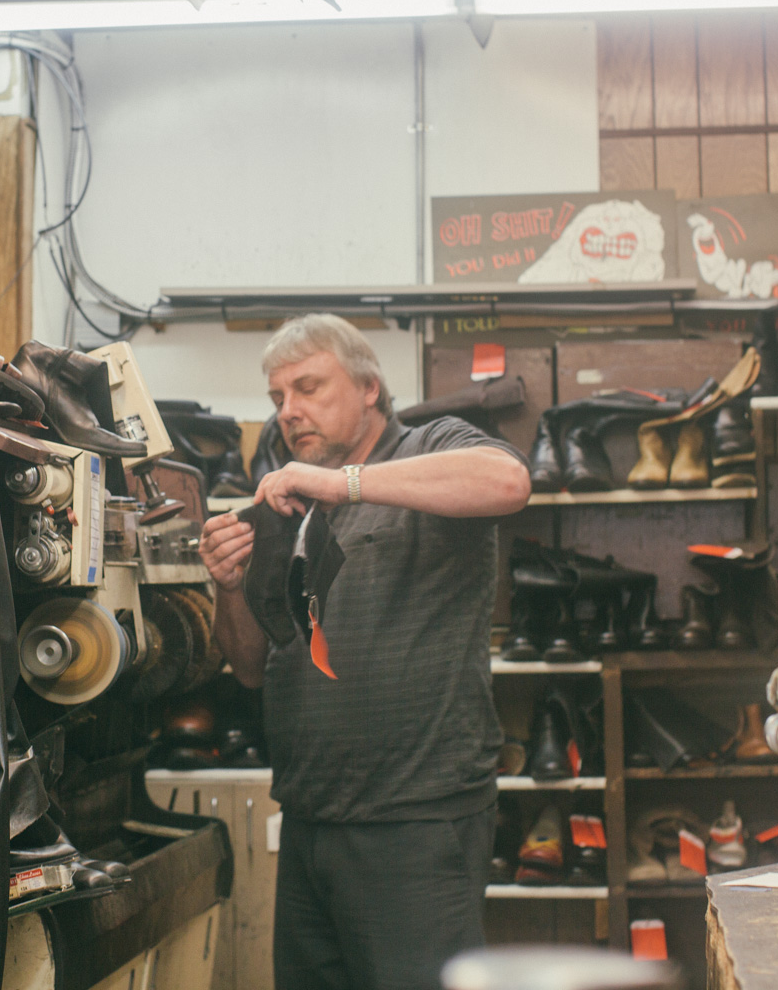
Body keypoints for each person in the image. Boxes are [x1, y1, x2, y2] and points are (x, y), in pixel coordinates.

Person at [198, 314, 533, 990]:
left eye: (309, 387)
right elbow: (252, 667)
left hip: (416, 820)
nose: (290, 411)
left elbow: (508, 483)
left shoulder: (427, 443)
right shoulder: (293, 504)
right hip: (311, 818)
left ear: (370, 387)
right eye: (278, 399)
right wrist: (229, 587)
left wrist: (344, 482)